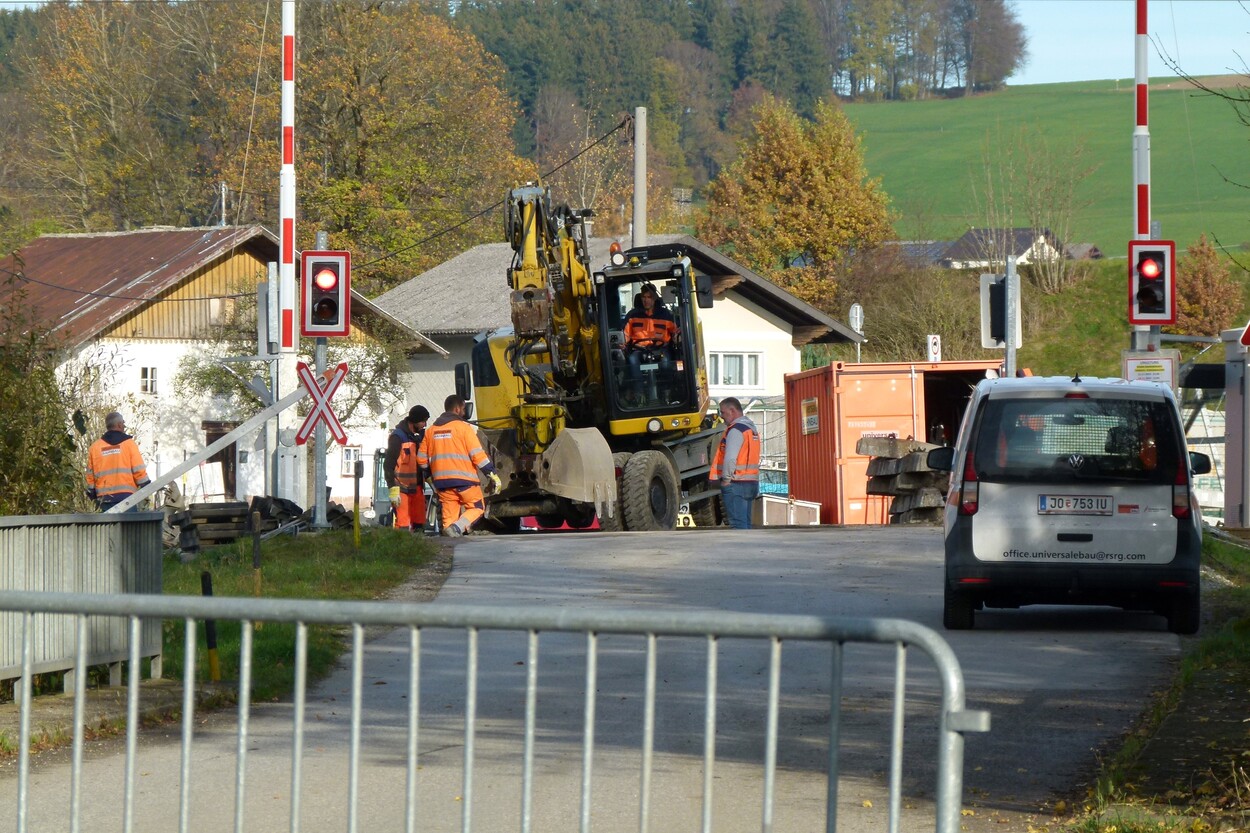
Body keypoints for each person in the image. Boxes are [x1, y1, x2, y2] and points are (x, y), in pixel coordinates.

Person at [417, 394, 502, 538]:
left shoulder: (431, 431)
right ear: (457, 409)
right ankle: (457, 528)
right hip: (465, 482)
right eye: (463, 409)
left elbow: (421, 460)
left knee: (448, 523)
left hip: (442, 484)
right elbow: (477, 455)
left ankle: (449, 544)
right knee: (477, 508)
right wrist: (492, 474)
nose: (464, 412)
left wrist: (430, 477)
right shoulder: (463, 428)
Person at [709, 397, 760, 529]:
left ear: (732, 411)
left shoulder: (736, 430)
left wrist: (726, 480)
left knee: (738, 526)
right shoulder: (751, 430)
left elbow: (730, 458)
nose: (721, 416)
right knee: (746, 524)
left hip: (736, 483)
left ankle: (741, 544)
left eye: (723, 412)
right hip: (751, 483)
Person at [86, 411, 151, 512]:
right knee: (129, 523)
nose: (124, 425)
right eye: (123, 423)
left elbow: (90, 475)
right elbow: (138, 469)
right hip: (127, 499)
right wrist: (146, 485)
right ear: (119, 425)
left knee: (107, 523)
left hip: (104, 499)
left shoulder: (95, 447)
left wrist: (92, 492)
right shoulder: (129, 444)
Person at [622, 282, 678, 400]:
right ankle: (639, 394)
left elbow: (675, 332)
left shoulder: (665, 315)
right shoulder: (632, 315)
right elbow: (625, 334)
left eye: (649, 297)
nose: (646, 300)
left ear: (655, 298)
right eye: (644, 297)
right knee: (632, 360)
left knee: (666, 362)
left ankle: (666, 392)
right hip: (638, 350)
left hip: (660, 350)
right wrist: (622, 344)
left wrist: (678, 338)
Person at [384, 405, 429, 532]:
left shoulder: (419, 437)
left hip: (417, 488)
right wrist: (392, 489)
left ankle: (418, 544)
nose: (425, 424)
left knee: (419, 525)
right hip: (401, 489)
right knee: (403, 525)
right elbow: (388, 465)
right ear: (414, 421)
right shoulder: (397, 437)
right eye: (423, 421)